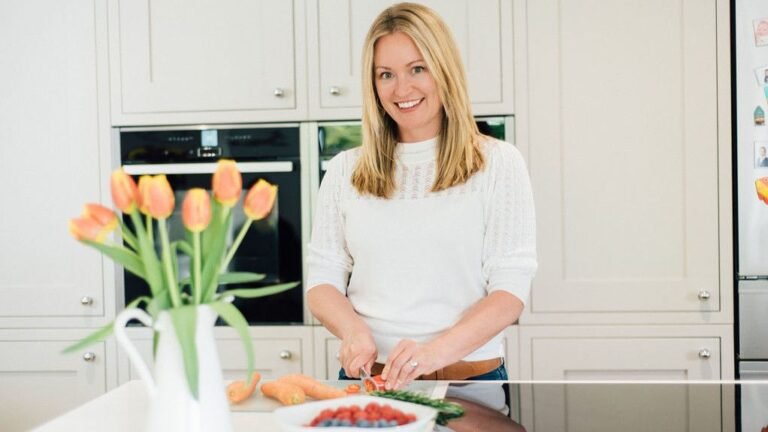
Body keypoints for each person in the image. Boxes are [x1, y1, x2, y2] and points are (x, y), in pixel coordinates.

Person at [306, 0, 536, 409]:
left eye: (418, 68)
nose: (402, 89)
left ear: (443, 69)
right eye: (386, 75)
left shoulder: (499, 164)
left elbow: (510, 290)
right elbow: (322, 279)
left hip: (468, 386)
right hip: (367, 384)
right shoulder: (345, 171)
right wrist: (353, 332)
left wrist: (433, 354)